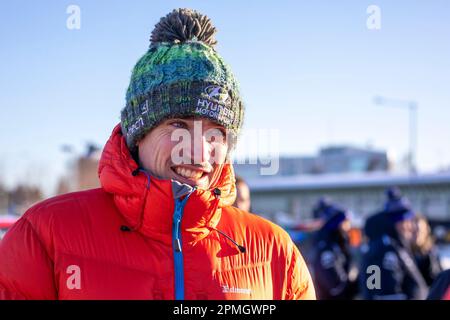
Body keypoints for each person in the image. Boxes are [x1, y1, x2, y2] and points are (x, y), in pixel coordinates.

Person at [0, 8, 315, 300]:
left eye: (214, 132)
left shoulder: (275, 254)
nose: (197, 150)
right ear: (138, 133)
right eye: (177, 124)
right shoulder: (46, 238)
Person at [360, 188, 428, 300]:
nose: (410, 227)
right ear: (398, 223)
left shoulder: (392, 246)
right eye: (407, 222)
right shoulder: (385, 249)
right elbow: (383, 293)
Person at [311, 199, 358, 299]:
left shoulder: (338, 245)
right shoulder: (327, 249)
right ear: (338, 224)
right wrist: (360, 281)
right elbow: (336, 287)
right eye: (346, 222)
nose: (349, 227)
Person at [411, 215, 442, 286]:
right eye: (414, 231)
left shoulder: (432, 255)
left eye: (420, 231)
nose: (417, 234)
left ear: (426, 231)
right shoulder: (402, 253)